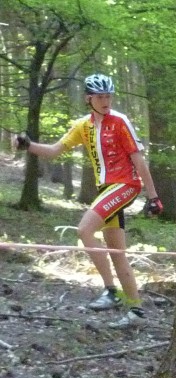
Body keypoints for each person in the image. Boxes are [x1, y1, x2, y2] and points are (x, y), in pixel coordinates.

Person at [14, 73, 163, 329]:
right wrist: (28, 145)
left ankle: (111, 291)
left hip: (125, 185)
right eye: (100, 97)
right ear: (88, 99)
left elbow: (138, 160)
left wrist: (153, 196)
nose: (106, 101)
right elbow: (54, 151)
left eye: (108, 96)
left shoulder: (120, 121)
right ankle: (135, 311)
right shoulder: (83, 125)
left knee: (84, 230)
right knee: (117, 253)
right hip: (106, 190)